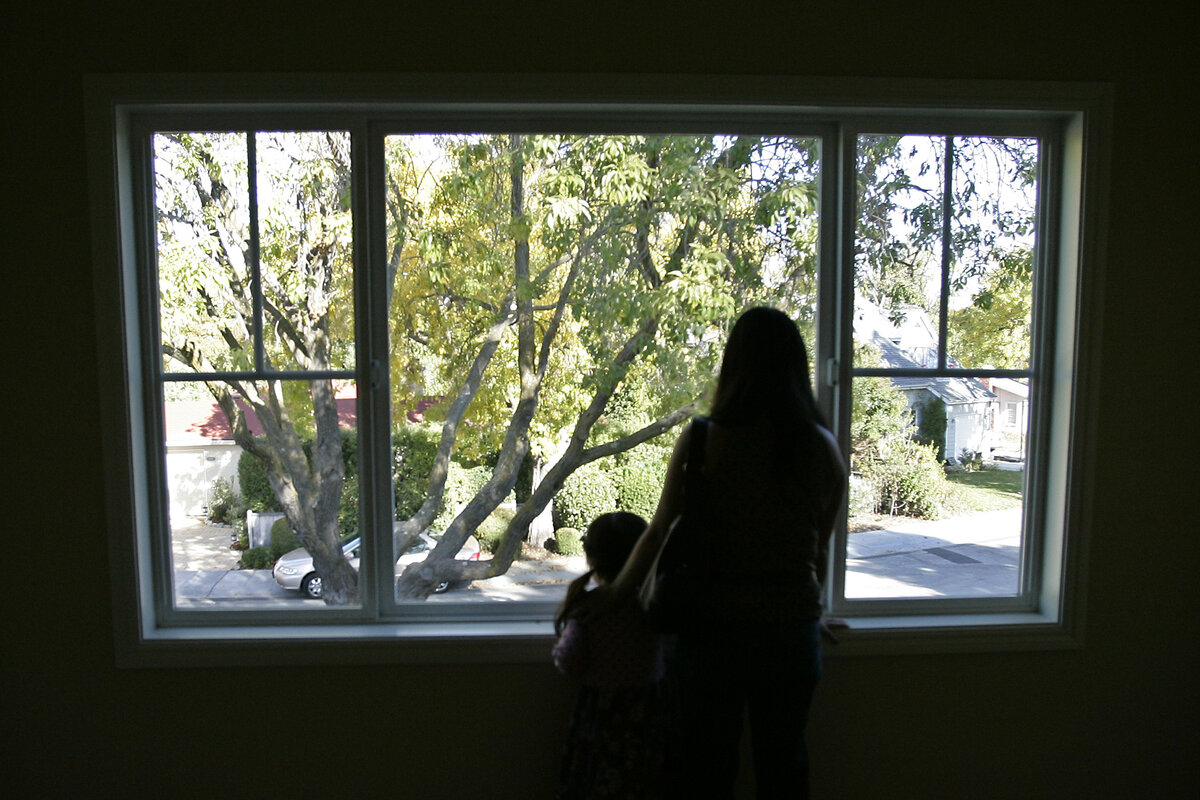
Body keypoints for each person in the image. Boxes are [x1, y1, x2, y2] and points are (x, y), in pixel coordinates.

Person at [594, 306, 846, 799]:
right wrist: (813, 613)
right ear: (798, 368)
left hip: (712, 631)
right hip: (790, 632)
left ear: (735, 365)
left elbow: (658, 531)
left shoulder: (704, 439)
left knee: (705, 771)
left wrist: (614, 595)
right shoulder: (822, 449)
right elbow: (814, 552)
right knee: (784, 767)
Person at [553, 511, 669, 800]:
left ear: (591, 557)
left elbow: (569, 660)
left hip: (601, 715)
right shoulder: (654, 608)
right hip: (649, 714)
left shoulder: (592, 609)